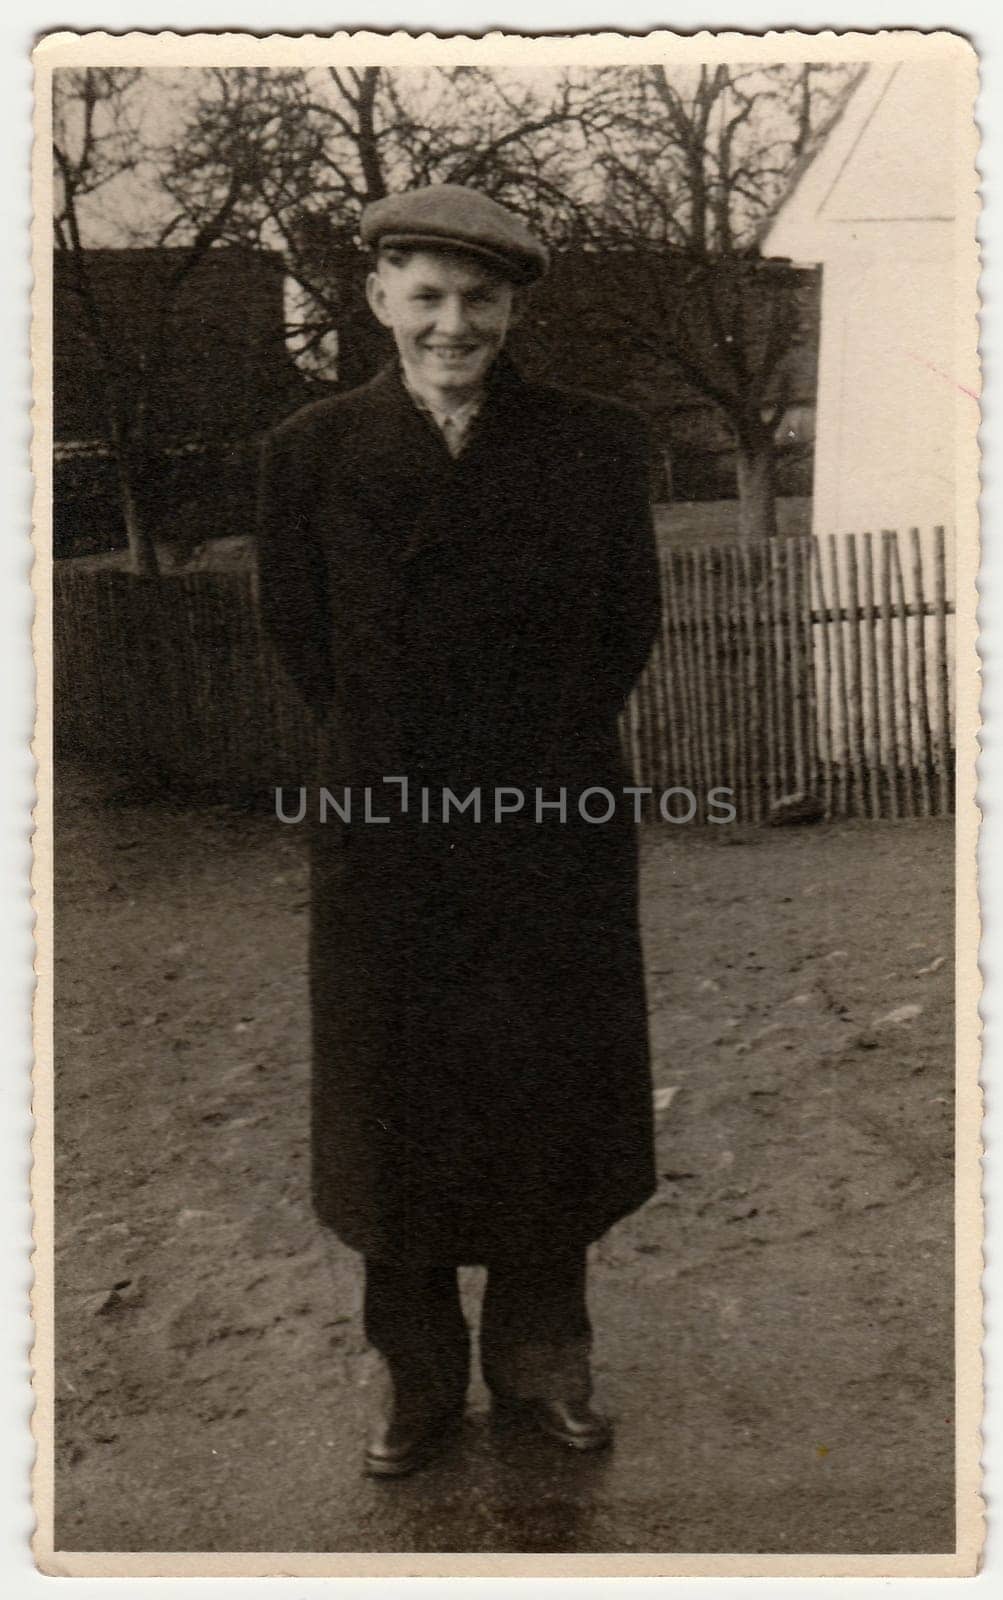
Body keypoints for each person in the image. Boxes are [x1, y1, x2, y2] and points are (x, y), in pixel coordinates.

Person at [256, 183, 661, 1477]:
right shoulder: (311, 452)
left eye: (479, 298)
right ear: (377, 300)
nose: (452, 324)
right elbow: (301, 635)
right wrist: (399, 766)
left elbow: (623, 628)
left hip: (548, 820)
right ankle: (414, 1377)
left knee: (548, 1089)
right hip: (386, 830)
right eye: (424, 296)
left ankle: (544, 1359)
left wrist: (525, 769)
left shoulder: (593, 444)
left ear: (513, 307)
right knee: (396, 1104)